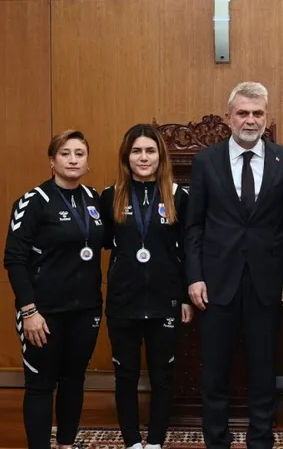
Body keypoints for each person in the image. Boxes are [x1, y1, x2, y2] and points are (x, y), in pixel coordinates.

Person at [184, 81, 283, 449]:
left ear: (266, 118)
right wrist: (194, 277)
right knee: (216, 371)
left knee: (263, 370)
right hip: (216, 283)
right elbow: (194, 227)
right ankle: (216, 441)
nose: (250, 120)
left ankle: (260, 440)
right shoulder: (206, 161)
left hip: (267, 283)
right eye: (243, 113)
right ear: (228, 118)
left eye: (257, 114)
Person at [3, 130, 105, 449]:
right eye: (65, 153)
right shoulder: (33, 201)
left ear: (88, 161)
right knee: (41, 385)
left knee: (73, 381)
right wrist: (28, 310)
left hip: (86, 309)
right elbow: (14, 259)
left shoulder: (94, 199)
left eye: (79, 153)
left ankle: (66, 444)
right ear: (52, 160)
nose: (73, 159)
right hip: (43, 313)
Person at [99, 124, 194, 449]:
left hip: (164, 301)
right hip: (122, 302)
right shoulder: (110, 196)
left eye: (150, 150)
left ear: (160, 155)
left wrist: (184, 297)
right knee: (125, 376)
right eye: (137, 150)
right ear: (127, 156)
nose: (143, 157)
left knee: (162, 377)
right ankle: (132, 442)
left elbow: (188, 250)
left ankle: (154, 442)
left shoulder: (179, 196)